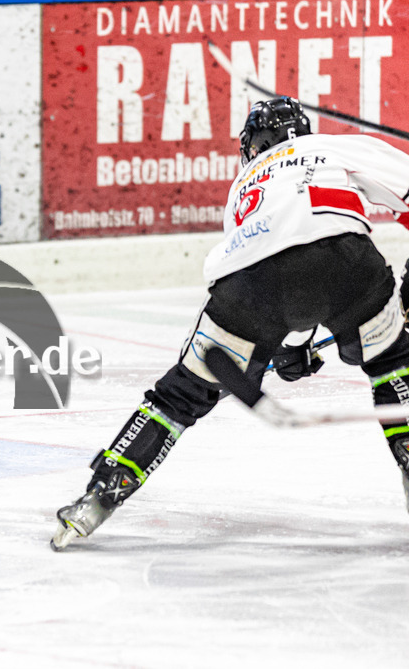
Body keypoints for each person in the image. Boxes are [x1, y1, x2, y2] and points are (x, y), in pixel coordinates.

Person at [52, 97, 409, 550]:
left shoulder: (243, 184)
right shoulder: (332, 148)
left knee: (179, 396)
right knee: (393, 364)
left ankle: (100, 494)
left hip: (245, 287)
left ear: (252, 145)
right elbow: (319, 259)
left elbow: (275, 274)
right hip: (347, 264)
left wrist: (288, 345)